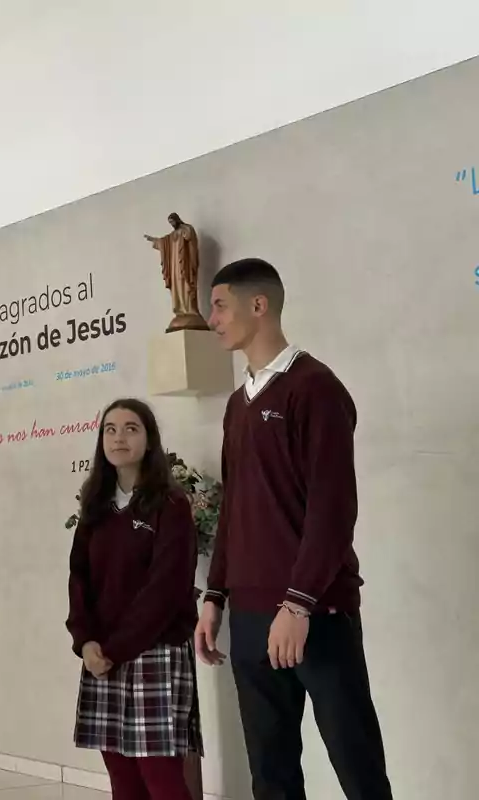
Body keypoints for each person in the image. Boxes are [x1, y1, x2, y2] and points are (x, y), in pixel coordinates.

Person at [197, 258, 392, 800]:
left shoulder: (316, 388)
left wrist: (299, 603)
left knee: (358, 766)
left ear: (258, 306)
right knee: (271, 773)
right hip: (252, 615)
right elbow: (234, 507)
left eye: (219, 305)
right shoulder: (238, 405)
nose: (210, 318)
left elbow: (333, 510)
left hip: (316, 613)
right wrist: (215, 595)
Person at [67, 398, 202, 800]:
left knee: (160, 775)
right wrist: (86, 641)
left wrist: (115, 648)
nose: (118, 437)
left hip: (153, 652)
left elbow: (167, 589)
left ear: (149, 439)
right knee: (121, 775)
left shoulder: (171, 505)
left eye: (130, 428)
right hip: (102, 655)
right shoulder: (95, 507)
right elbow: (79, 579)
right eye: (110, 429)